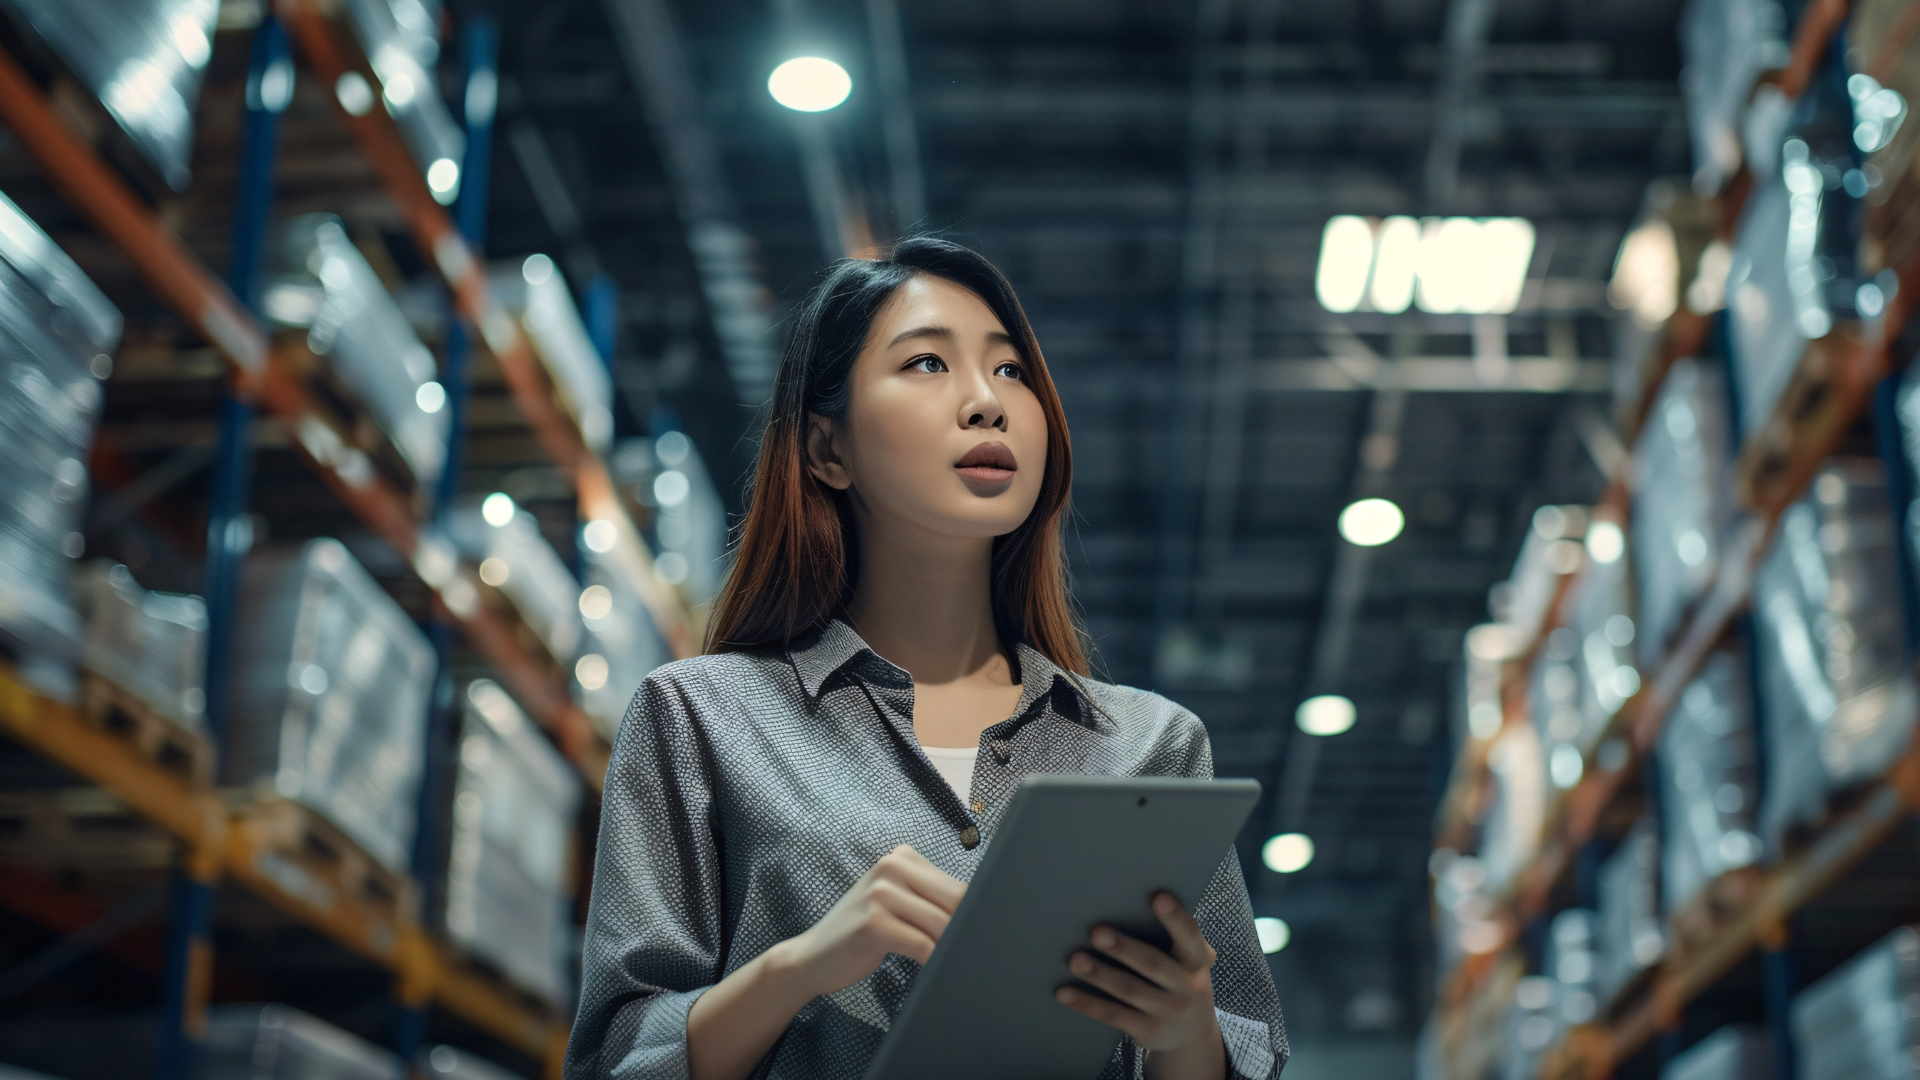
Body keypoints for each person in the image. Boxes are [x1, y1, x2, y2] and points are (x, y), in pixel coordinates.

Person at [566, 237, 1287, 1080]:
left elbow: (1252, 1053)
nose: (987, 402)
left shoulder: (1151, 747)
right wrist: (800, 966)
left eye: (1012, 372)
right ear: (825, 450)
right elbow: (618, 1058)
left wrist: (1183, 1033)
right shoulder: (702, 718)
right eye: (926, 364)